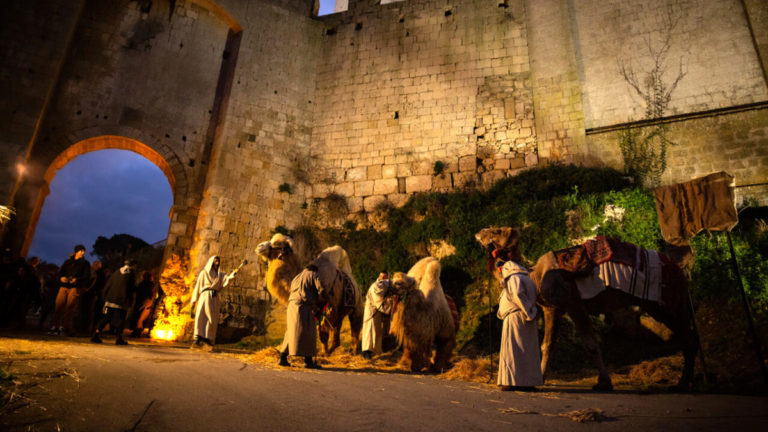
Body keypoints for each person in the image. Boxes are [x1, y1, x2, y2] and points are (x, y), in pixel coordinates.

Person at [496, 248, 543, 391]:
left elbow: (517, 295)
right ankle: (527, 381)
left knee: (513, 350)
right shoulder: (526, 278)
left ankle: (511, 381)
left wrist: (528, 311)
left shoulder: (514, 277)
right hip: (525, 314)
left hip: (516, 316)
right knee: (527, 349)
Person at [277, 262, 329, 369]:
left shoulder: (297, 277)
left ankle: (282, 358)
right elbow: (322, 290)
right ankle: (308, 361)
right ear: (314, 270)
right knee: (309, 331)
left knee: (291, 331)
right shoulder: (314, 275)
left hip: (292, 305)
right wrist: (325, 299)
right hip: (303, 307)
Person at [190, 256, 238, 351]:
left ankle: (208, 339)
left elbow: (227, 280)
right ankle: (198, 339)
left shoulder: (220, 275)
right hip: (205, 296)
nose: (218, 261)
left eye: (218, 260)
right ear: (211, 261)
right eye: (216, 260)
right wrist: (193, 302)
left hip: (214, 298)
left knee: (212, 319)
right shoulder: (203, 273)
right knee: (201, 316)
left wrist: (234, 273)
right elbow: (197, 287)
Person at [91, 259, 137, 345]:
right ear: (133, 265)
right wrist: (130, 301)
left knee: (106, 318)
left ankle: (96, 334)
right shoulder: (131, 273)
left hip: (110, 299)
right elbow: (130, 288)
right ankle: (119, 338)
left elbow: (109, 284)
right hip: (121, 300)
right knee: (121, 319)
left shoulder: (117, 272)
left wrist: (105, 296)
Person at [49, 245, 91, 336]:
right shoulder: (68, 262)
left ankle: (64, 327)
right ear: (76, 252)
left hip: (75, 288)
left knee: (70, 308)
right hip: (64, 286)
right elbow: (60, 273)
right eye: (81, 251)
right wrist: (61, 278)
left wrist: (77, 280)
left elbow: (87, 276)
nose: (83, 253)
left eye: (84, 251)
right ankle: (54, 326)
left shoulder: (85, 263)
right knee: (58, 306)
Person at [361, 271, 393, 359]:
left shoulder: (383, 285)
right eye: (382, 276)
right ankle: (367, 352)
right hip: (372, 312)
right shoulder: (377, 285)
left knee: (375, 331)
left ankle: (374, 351)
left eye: (385, 277)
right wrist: (390, 310)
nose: (383, 278)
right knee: (370, 331)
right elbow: (379, 300)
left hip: (376, 312)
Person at [131, 271, 156, 337]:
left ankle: (137, 331)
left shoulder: (143, 284)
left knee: (139, 319)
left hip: (142, 303)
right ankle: (137, 331)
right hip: (145, 303)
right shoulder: (150, 285)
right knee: (140, 319)